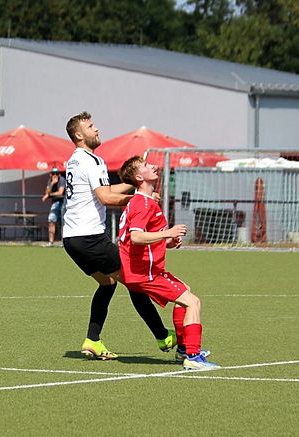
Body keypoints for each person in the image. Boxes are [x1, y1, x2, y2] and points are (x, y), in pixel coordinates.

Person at [62, 111, 176, 360]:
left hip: (72, 239)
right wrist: (139, 198)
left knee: (108, 283)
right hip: (90, 237)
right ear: (79, 135)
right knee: (134, 280)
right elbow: (105, 197)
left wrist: (134, 184)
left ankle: (92, 340)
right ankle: (162, 335)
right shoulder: (91, 160)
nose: (96, 129)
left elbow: (106, 189)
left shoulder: (76, 160)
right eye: (90, 126)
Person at [118, 156, 220, 370]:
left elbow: (147, 240)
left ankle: (183, 349)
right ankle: (193, 356)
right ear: (139, 177)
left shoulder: (143, 202)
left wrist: (169, 241)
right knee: (193, 303)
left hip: (145, 270)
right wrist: (168, 233)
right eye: (146, 166)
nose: (153, 166)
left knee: (185, 292)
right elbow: (136, 237)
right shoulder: (143, 203)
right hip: (144, 273)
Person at [41, 167, 64, 245]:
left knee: (64, 222)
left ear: (59, 174)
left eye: (57, 173)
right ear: (50, 174)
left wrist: (49, 195)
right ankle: (51, 242)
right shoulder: (50, 181)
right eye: (53, 173)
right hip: (55, 202)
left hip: (64, 201)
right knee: (51, 220)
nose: (55, 175)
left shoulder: (62, 180)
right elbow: (47, 191)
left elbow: (60, 193)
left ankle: (63, 242)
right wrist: (52, 183)